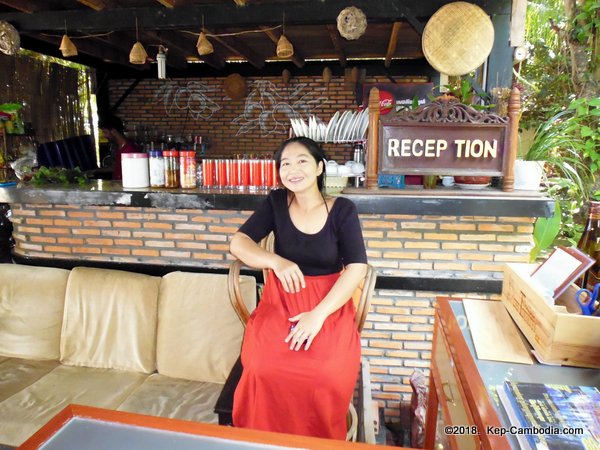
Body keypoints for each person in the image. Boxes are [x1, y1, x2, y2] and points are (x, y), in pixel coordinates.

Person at [230, 137, 368, 440]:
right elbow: (238, 242)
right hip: (280, 302)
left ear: (319, 167)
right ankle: (262, 441)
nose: (293, 169)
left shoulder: (342, 210)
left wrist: (317, 316)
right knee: (261, 366)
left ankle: (316, 441)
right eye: (285, 163)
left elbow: (357, 267)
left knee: (326, 374)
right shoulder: (276, 202)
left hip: (327, 305)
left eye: (302, 161)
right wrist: (276, 262)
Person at [98, 115, 139, 180]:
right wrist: (94, 171)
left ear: (114, 131)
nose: (104, 136)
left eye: (105, 132)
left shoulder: (129, 150)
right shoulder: (118, 147)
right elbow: (116, 167)